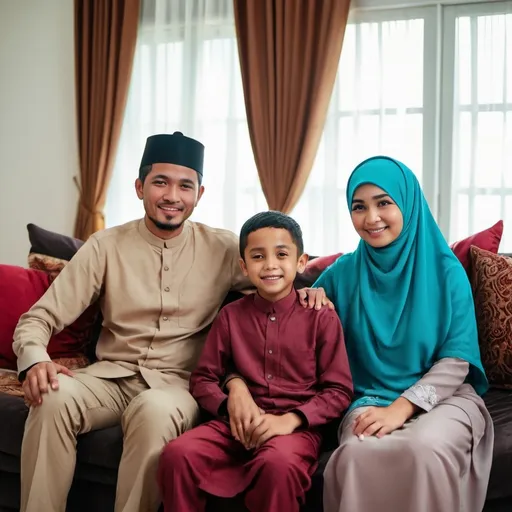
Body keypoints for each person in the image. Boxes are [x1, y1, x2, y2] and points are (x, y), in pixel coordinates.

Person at [12, 133, 328, 512]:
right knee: (51, 398)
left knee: (154, 411)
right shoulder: (105, 246)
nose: (172, 196)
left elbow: (279, 273)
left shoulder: (225, 249)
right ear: (139, 187)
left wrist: (316, 291)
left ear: (200, 193)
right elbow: (40, 317)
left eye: (185, 186)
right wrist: (34, 358)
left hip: (177, 385)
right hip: (109, 377)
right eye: (160, 182)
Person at [314, 156, 494, 512]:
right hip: (369, 398)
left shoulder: (446, 270)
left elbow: (457, 359)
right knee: (356, 453)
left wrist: (403, 407)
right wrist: (310, 295)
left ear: (408, 204)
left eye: (384, 203)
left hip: (443, 398)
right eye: (359, 207)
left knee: (422, 448)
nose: (371, 218)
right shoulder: (343, 273)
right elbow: (290, 315)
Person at [157, 211, 353, 511]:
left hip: (295, 430)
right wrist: (227, 405)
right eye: (258, 256)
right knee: (177, 453)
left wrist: (291, 420)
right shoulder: (231, 316)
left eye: (282, 254)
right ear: (244, 266)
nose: (271, 264)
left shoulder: (321, 316)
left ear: (301, 262)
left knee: (278, 465)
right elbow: (203, 378)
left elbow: (338, 391)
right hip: (233, 427)